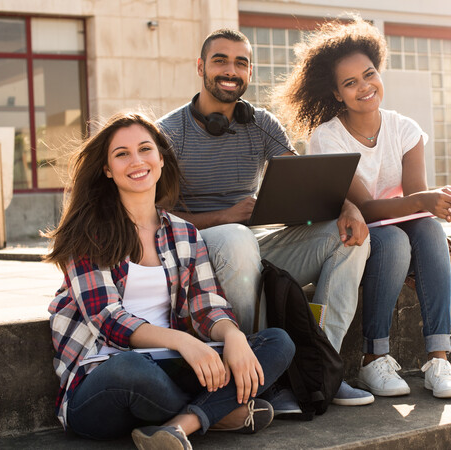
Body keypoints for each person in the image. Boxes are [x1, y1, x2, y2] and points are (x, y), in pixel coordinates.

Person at [44, 112, 295, 449]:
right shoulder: (89, 234)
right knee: (131, 369)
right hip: (102, 382)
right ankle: (217, 414)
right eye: (122, 154)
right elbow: (109, 322)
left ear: (160, 159)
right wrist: (183, 341)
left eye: (145, 149)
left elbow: (208, 307)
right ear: (107, 169)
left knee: (277, 342)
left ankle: (181, 424)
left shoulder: (184, 233)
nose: (136, 161)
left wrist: (232, 336)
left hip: (169, 368)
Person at [156, 29, 374, 407]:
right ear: (200, 67)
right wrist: (226, 216)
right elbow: (157, 219)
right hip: (198, 256)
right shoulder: (170, 132)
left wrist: (347, 207)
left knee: (349, 235)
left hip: (251, 246)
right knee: (238, 239)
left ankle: (320, 370)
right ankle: (263, 379)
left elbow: (306, 181)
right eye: (220, 60)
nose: (231, 69)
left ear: (250, 72)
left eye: (241, 62)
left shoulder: (261, 124)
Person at [275, 17, 451, 400]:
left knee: (429, 230)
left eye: (369, 74)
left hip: (398, 231)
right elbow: (367, 208)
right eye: (351, 83)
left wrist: (436, 207)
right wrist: (424, 200)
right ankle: (373, 358)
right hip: (362, 235)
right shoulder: (327, 137)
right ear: (336, 93)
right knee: (394, 238)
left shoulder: (405, 129)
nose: (365, 87)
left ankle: (439, 359)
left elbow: (417, 205)